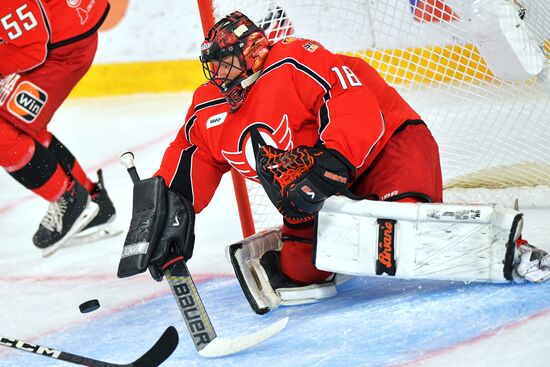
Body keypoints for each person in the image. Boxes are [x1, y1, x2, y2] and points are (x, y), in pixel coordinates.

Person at [118, 11, 550, 311]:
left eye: (226, 60)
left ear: (253, 49)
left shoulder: (295, 59)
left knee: (403, 233)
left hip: (387, 149)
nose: (218, 74)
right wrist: (166, 216)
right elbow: (190, 157)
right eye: (211, 65)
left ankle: (510, 251)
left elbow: (355, 100)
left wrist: (334, 163)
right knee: (299, 271)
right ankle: (321, 244)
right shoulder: (207, 106)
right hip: (309, 191)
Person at [0, 0, 116, 256]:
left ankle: (69, 198)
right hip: (66, 36)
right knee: (19, 124)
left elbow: (32, 49)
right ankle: (94, 201)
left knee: (4, 131)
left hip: (64, 53)